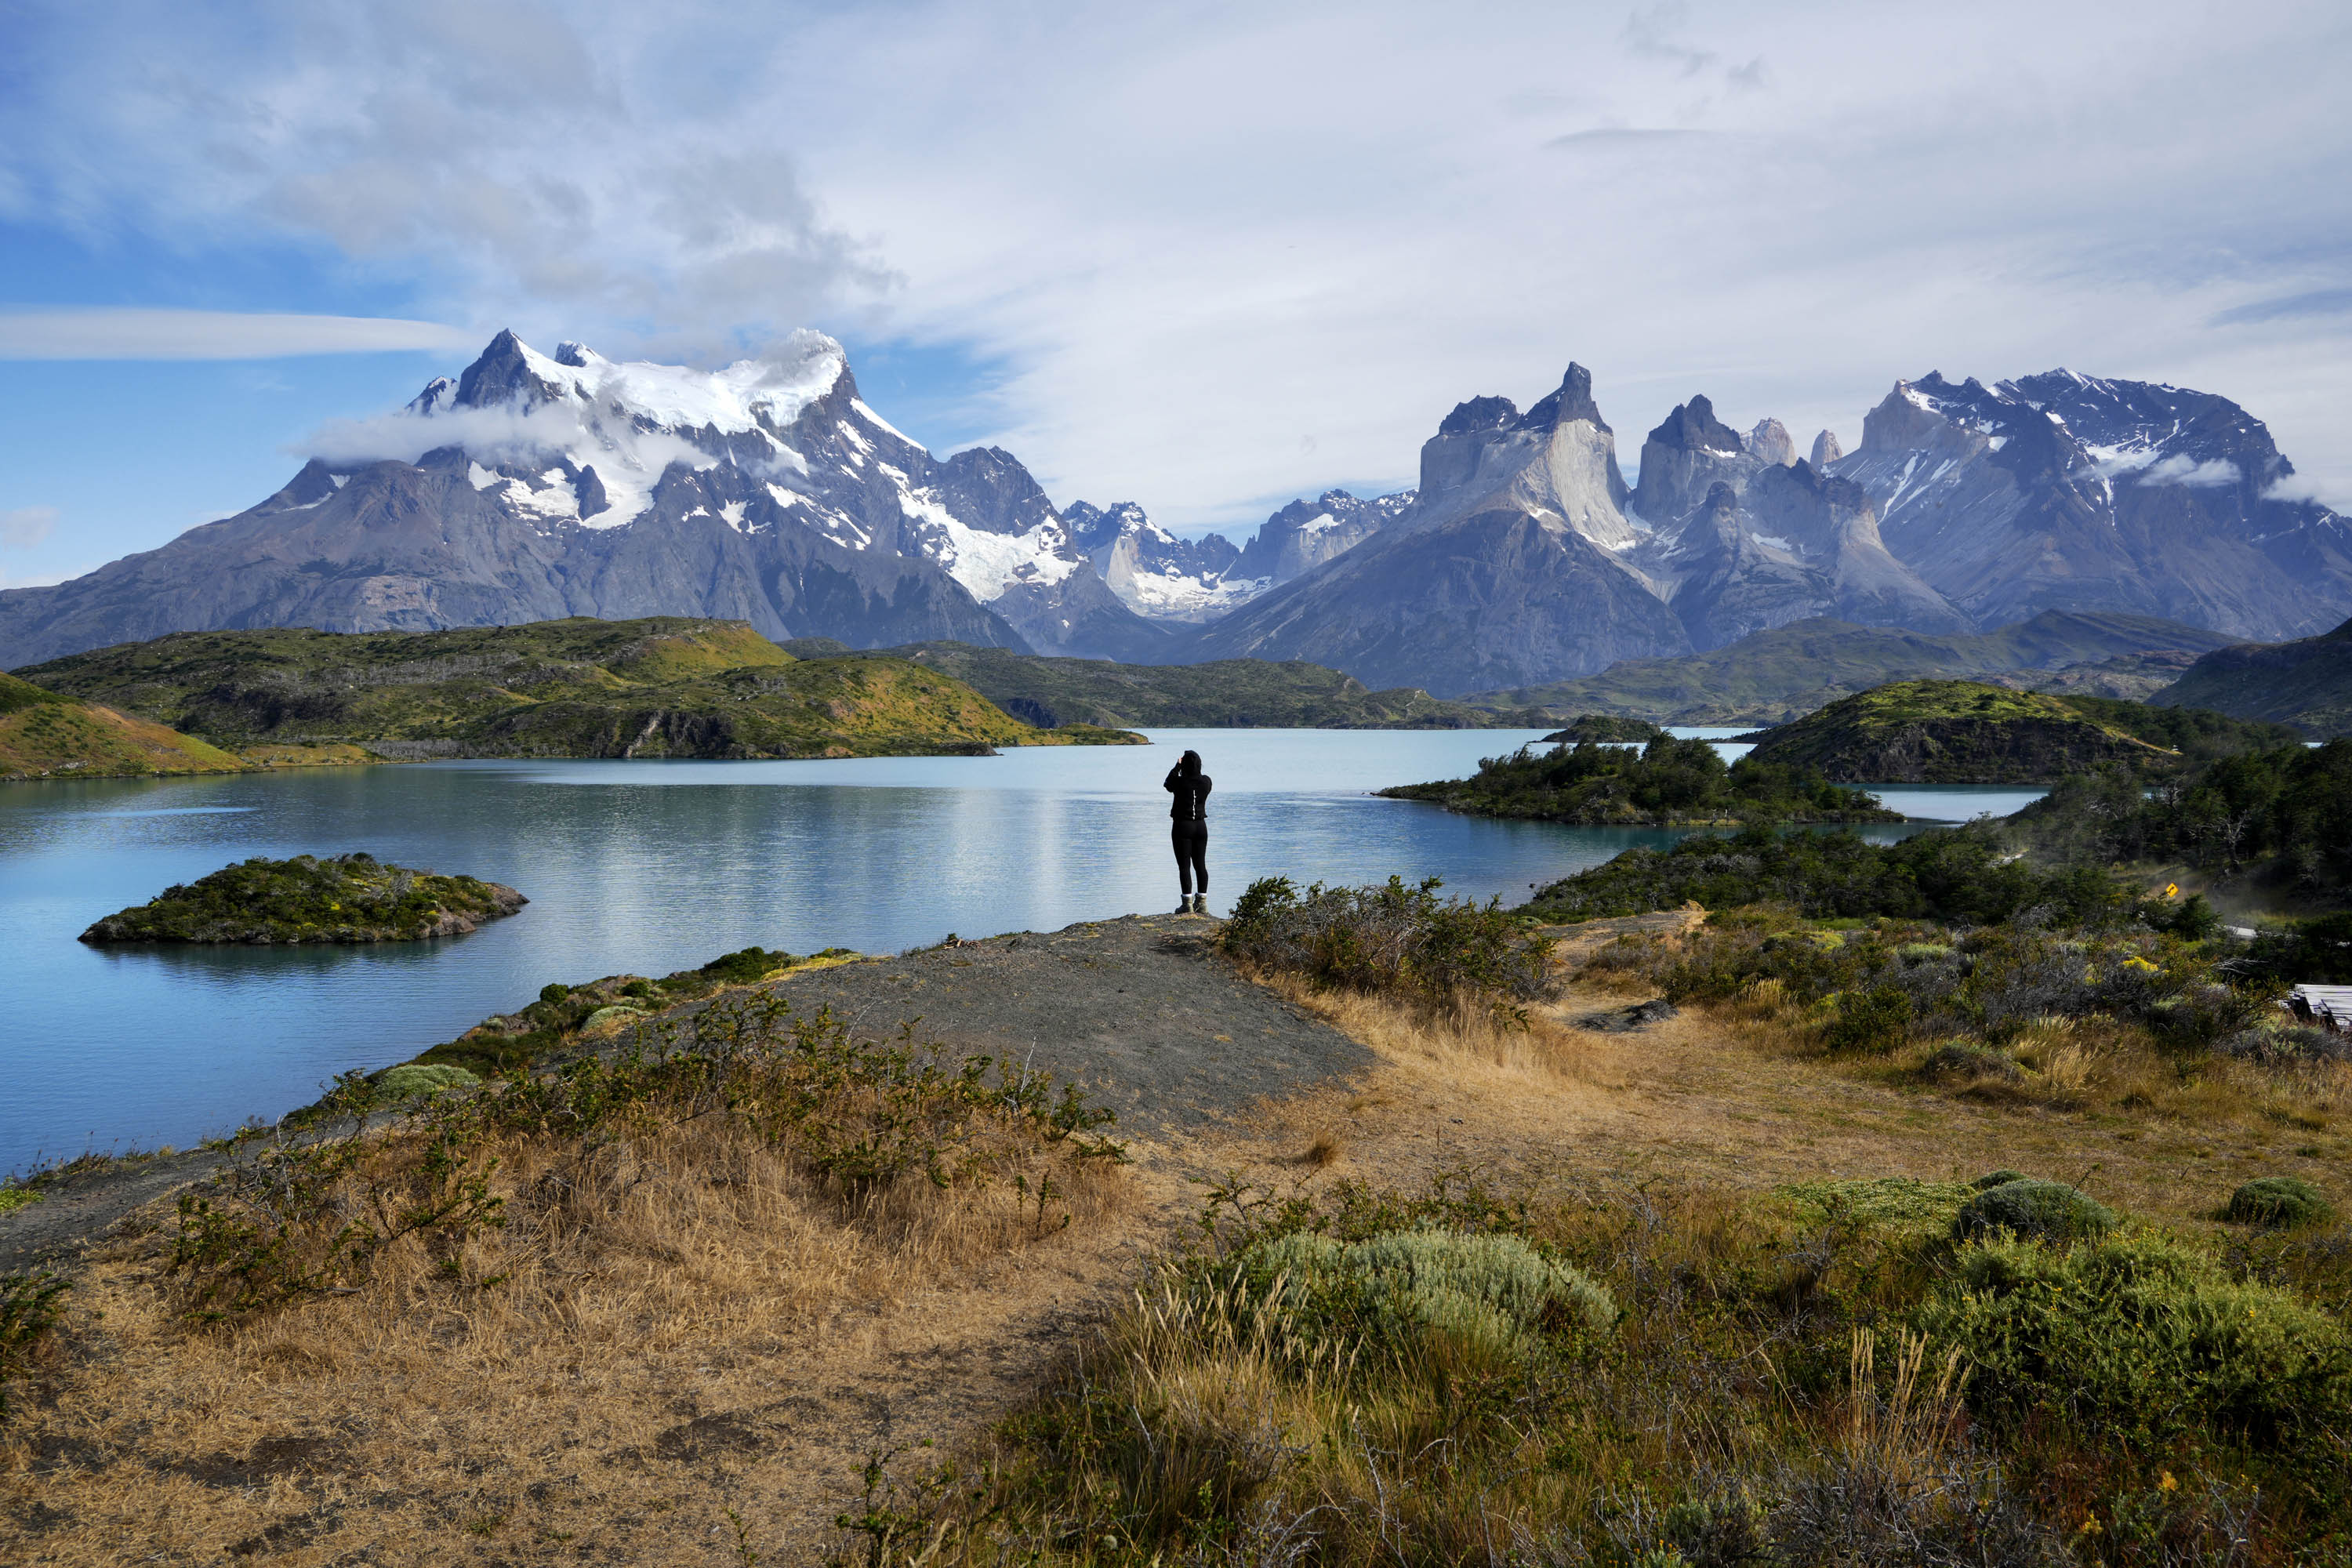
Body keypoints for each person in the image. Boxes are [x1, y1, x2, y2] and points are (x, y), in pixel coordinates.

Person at [1163, 749, 1212, 915]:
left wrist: (1177, 766)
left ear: (1184, 764)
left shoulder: (1179, 782)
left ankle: (1187, 905)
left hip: (1182, 826)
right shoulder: (1206, 782)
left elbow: (1167, 784)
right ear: (1199, 765)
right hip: (1200, 827)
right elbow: (1198, 781)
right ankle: (1202, 904)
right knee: (1201, 866)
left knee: (1184, 867)